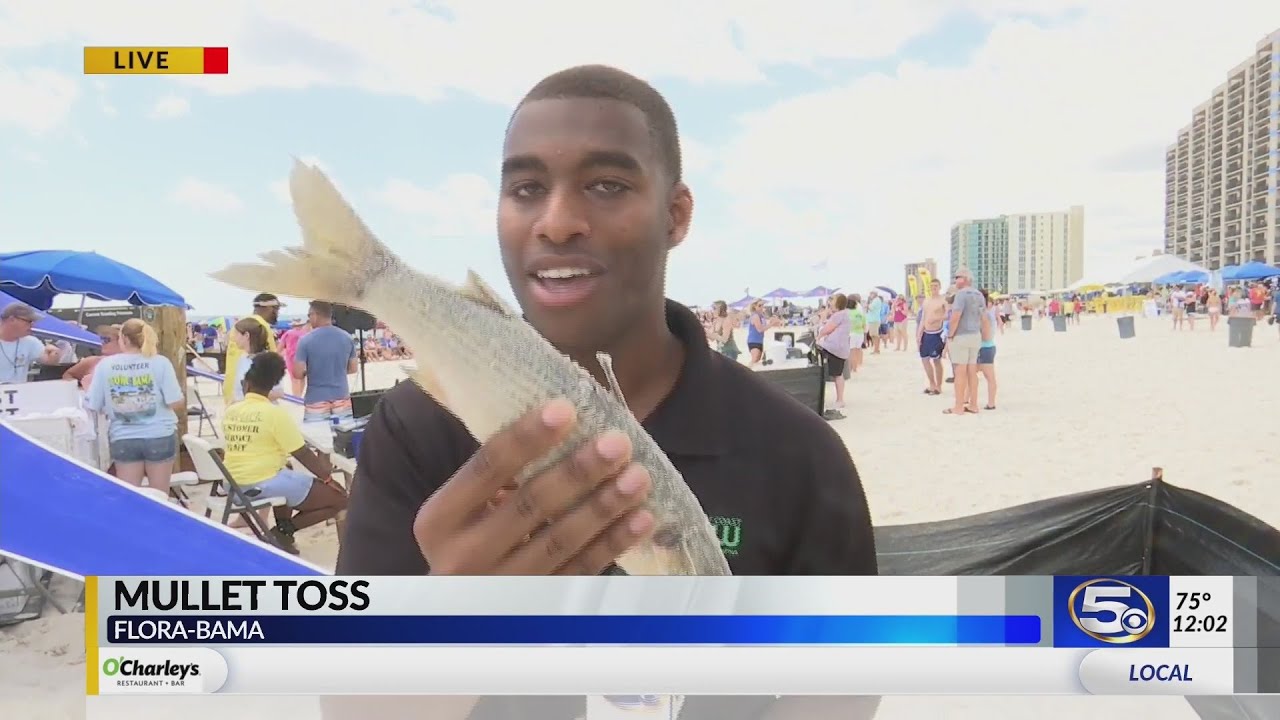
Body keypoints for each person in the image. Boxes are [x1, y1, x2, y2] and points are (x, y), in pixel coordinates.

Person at [329, 64, 878, 720]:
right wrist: (453, 626)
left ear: (676, 215)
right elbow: (349, 705)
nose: (557, 223)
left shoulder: (797, 453)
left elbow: (845, 681)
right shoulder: (418, 428)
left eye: (607, 185)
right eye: (527, 188)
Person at [221, 352, 348, 552]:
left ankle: (283, 535)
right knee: (341, 499)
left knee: (286, 468)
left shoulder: (231, 411)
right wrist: (328, 479)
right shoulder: (273, 413)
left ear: (246, 383)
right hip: (259, 484)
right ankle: (283, 531)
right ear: (273, 386)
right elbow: (302, 453)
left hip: (233, 484)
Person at [84, 319, 184, 494]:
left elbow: (93, 404)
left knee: (131, 497)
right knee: (160, 495)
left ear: (123, 338)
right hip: (159, 433)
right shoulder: (160, 362)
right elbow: (174, 402)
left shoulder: (105, 365)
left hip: (123, 436)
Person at [292, 300, 358, 424]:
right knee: (343, 438)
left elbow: (297, 373)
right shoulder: (347, 337)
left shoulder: (305, 340)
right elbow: (353, 368)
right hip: (342, 397)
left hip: (316, 399)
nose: (309, 319)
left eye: (309, 315)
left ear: (315, 315)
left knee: (318, 439)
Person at [944, 268, 990, 416]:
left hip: (962, 336)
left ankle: (958, 406)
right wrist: (986, 336)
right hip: (975, 335)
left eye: (957, 277)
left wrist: (950, 335)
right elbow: (984, 317)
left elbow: (956, 316)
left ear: (964, 279)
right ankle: (973, 404)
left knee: (960, 371)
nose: (955, 280)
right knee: (972, 371)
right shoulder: (979, 295)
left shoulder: (961, 295)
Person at [221, 293, 281, 404]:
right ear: (269, 308)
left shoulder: (240, 324)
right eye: (277, 309)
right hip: (253, 395)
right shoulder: (261, 326)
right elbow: (273, 363)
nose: (278, 313)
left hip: (233, 390)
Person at [229, 318, 287, 402]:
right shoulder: (243, 358)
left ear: (246, 335)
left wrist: (252, 397)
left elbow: (279, 392)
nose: (234, 338)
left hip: (261, 411)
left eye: (236, 334)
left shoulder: (268, 361)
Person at [0, 302, 59, 384]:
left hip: (19, 393)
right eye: (29, 321)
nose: (33, 325)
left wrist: (54, 353)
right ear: (12, 319)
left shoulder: (31, 341)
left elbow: (49, 361)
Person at [815, 293, 851, 412]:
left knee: (837, 374)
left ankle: (840, 400)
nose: (830, 302)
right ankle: (839, 399)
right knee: (837, 374)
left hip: (835, 348)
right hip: (839, 348)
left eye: (833, 300)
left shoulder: (839, 315)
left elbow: (826, 329)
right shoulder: (843, 314)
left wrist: (819, 335)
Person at [63, 325, 122, 390]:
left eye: (107, 340)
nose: (102, 343)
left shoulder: (133, 363)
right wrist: (79, 389)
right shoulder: (92, 361)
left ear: (121, 342)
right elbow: (68, 375)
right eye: (102, 339)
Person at [916, 279, 946, 395]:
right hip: (926, 333)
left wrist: (937, 319)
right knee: (924, 359)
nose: (933, 288)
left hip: (937, 333)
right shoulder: (926, 301)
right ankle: (931, 383)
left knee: (936, 360)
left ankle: (938, 386)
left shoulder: (943, 300)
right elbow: (923, 318)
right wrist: (919, 334)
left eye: (936, 286)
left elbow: (949, 315)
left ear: (939, 287)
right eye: (932, 286)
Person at [976, 290, 999, 411]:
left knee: (989, 376)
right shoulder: (983, 313)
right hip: (983, 347)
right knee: (971, 374)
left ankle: (991, 403)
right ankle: (966, 399)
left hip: (985, 347)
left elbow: (986, 335)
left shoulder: (985, 314)